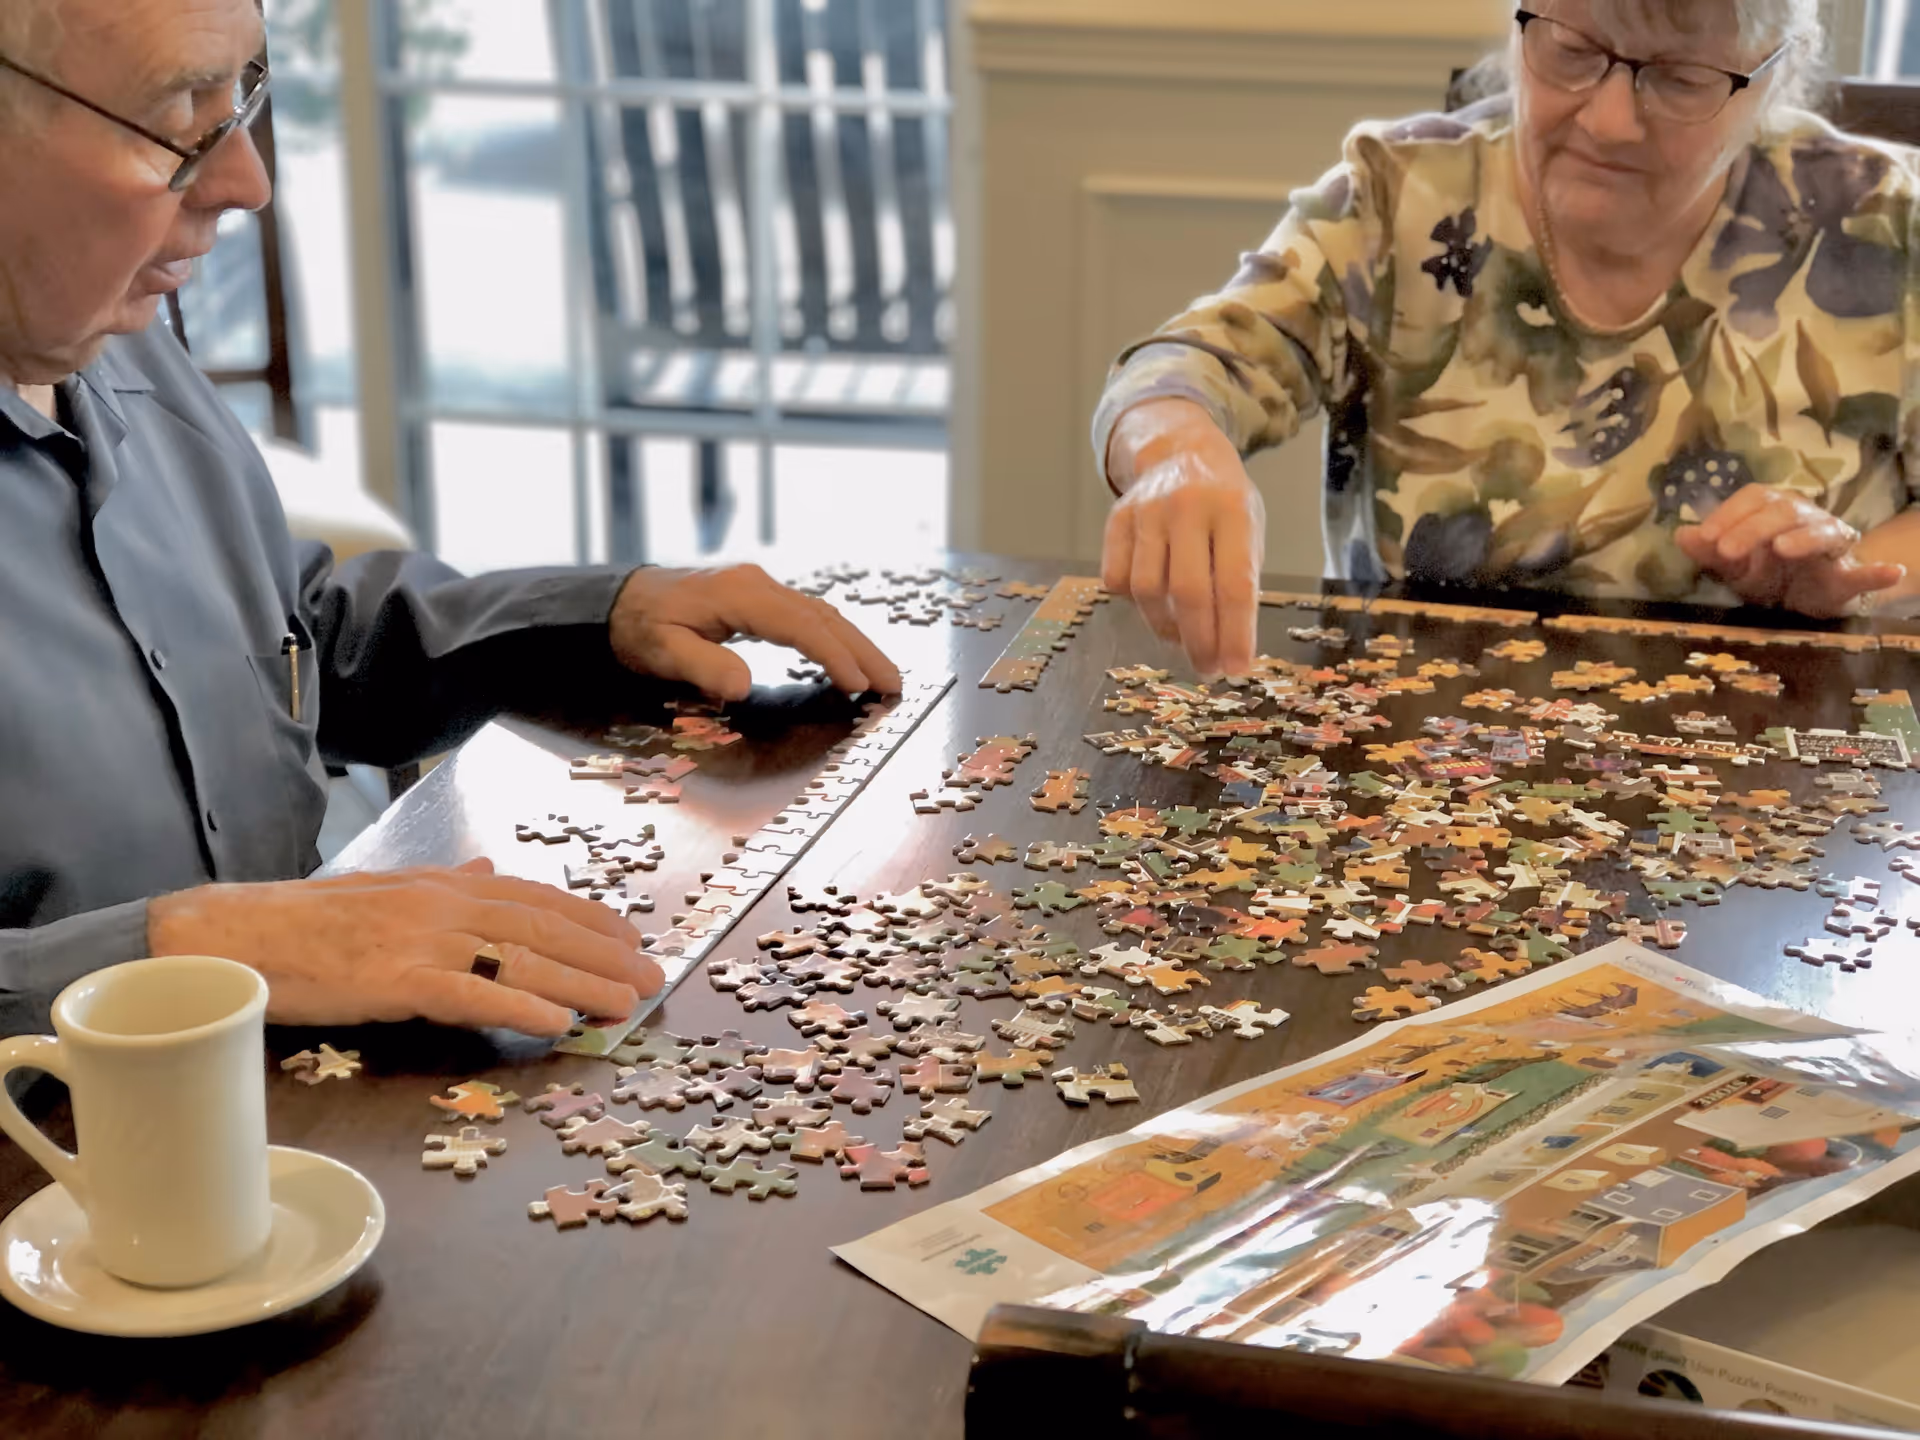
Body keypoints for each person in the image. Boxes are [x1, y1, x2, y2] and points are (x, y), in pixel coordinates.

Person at [0, 0, 899, 1042]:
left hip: (309, 1142)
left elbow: (284, 636)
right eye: (181, 118)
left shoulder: (107, 336)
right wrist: (190, 953)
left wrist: (597, 616)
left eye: (243, 91)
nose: (249, 181)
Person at [1097, 0, 1920, 680]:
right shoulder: (1396, 195)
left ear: (1774, 76)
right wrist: (1177, 449)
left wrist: (1853, 584)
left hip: (1779, 805)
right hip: (1412, 793)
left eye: (1679, 79)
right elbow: (1190, 363)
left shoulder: (1882, 220)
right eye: (1570, 51)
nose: (1609, 121)